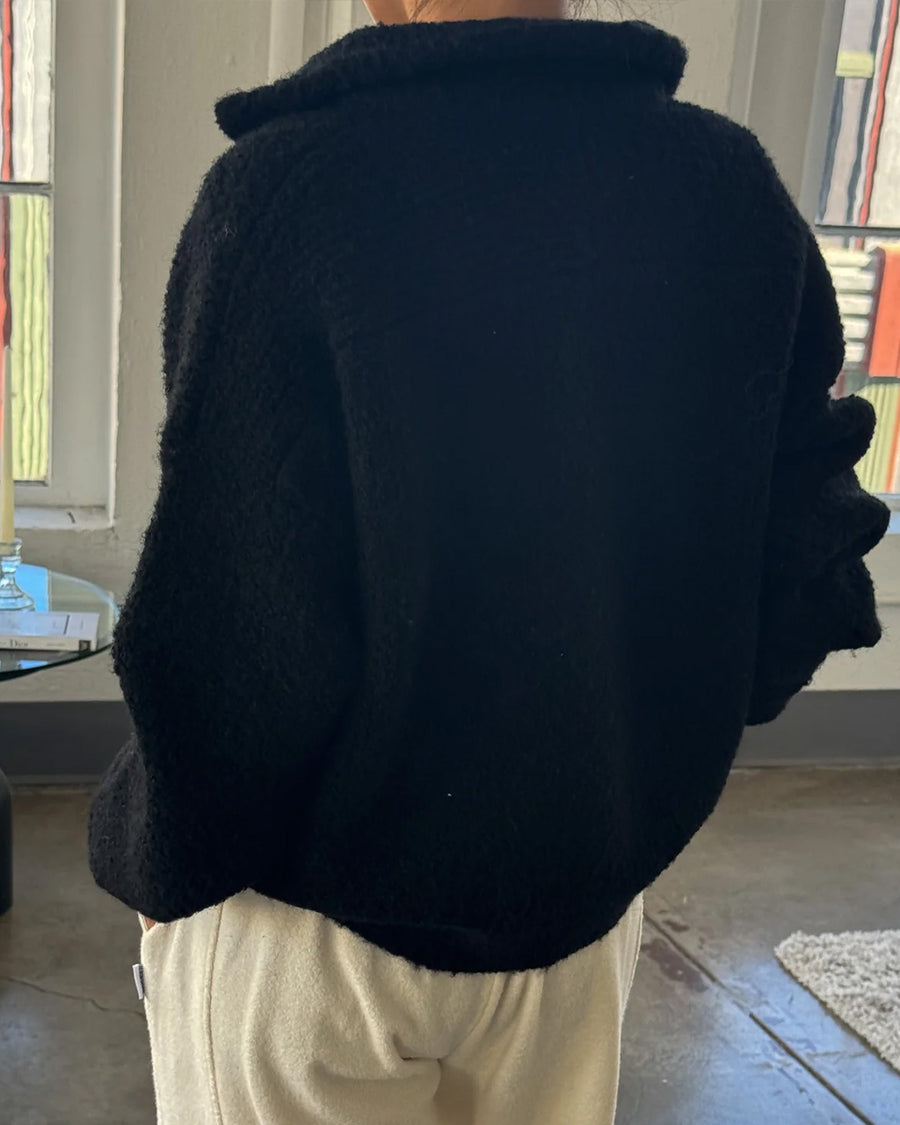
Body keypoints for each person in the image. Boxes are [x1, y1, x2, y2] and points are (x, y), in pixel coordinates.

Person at [87, 0, 891, 1122]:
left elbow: (237, 624)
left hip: (310, 937)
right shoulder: (730, 191)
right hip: (577, 918)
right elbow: (805, 537)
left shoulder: (289, 196)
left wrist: (159, 852)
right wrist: (640, 755)